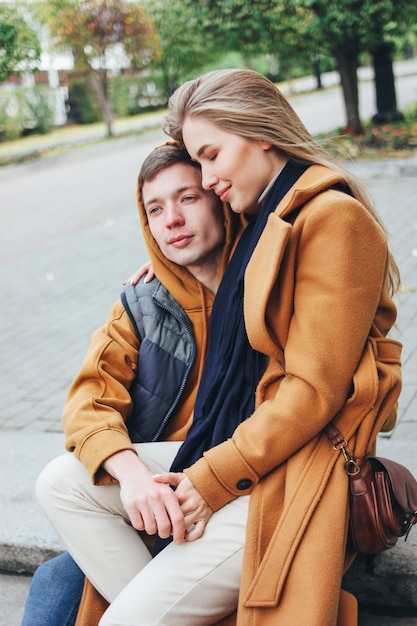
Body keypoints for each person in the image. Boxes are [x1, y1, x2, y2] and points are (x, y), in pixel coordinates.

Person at [36, 69, 402, 626]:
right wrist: (163, 272)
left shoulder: (326, 217)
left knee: (110, 615)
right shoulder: (257, 223)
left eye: (210, 158)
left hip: (293, 468)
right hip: (230, 451)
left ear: (260, 133)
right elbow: (87, 403)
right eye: (156, 209)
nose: (206, 182)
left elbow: (312, 389)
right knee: (61, 486)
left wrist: (205, 483)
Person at [22, 142, 242, 626]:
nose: (171, 221)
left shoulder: (263, 285)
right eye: (155, 209)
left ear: (220, 198)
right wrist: (133, 475)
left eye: (187, 199)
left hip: (237, 484)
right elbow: (88, 402)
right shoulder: (142, 302)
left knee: (73, 592)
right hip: (161, 499)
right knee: (56, 577)